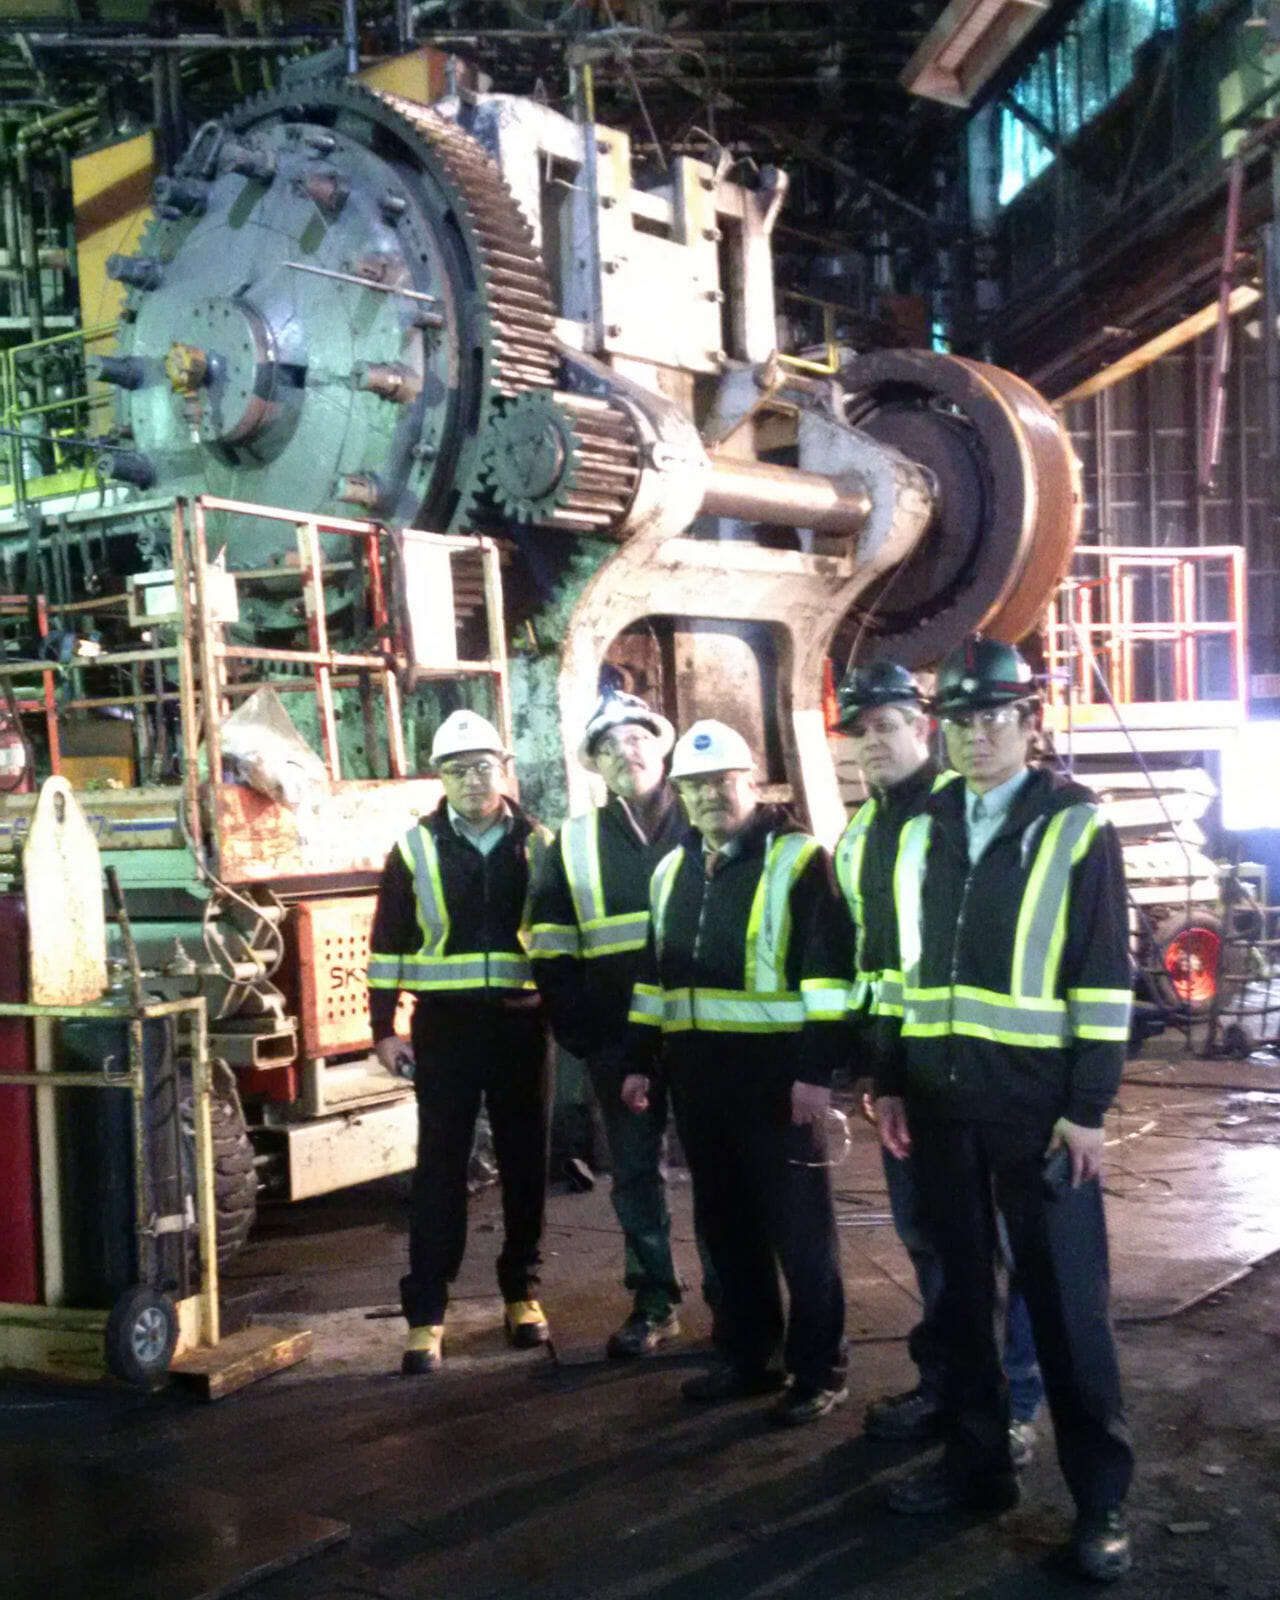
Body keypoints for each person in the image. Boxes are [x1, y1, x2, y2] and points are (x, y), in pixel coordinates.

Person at [872, 637, 1135, 1583]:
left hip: (1038, 1113)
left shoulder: (1075, 827)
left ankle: (1101, 1503)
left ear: (1028, 721)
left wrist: (1088, 1106)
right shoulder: (920, 827)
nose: (975, 735)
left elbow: (1103, 977)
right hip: (939, 1104)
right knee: (958, 1300)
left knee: (1067, 1311)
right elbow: (895, 967)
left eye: (993, 717)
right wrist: (889, 1077)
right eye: (960, 720)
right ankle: (977, 1466)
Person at [832, 660, 1044, 1467]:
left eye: (887, 725)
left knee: (1008, 1245)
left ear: (923, 727)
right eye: (859, 730)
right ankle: (950, 1383)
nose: (872, 742)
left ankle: (1013, 1399)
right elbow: (876, 964)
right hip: (910, 1072)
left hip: (991, 1074)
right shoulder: (863, 830)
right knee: (931, 1237)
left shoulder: (961, 813)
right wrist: (879, 1072)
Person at [622, 719, 850, 1426]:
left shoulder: (800, 860)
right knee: (726, 1231)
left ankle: (819, 1370)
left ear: (751, 782)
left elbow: (827, 977)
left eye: (721, 782)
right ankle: (750, 1358)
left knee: (801, 1236)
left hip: (777, 1085)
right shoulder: (671, 870)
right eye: (693, 787)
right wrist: (639, 1061)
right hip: (700, 1082)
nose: (707, 797)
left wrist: (816, 1072)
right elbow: (654, 976)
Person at [367, 708, 554, 1375]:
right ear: (440, 778)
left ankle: (521, 1293)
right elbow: (388, 943)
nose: (472, 779)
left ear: (504, 770)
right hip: (445, 1028)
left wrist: (559, 1004)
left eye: (482, 766)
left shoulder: (539, 843)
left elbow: (561, 934)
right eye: (456, 769)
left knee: (526, 1162)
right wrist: (383, 1029)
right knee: (440, 1169)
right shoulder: (414, 848)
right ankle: (427, 1313)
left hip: (521, 1025)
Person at [528, 689, 690, 1358]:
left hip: (707, 1034)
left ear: (661, 748)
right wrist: (585, 1035)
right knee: (634, 1174)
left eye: (637, 738)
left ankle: (740, 1305)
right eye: (610, 745)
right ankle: (654, 1301)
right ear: (594, 763)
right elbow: (550, 943)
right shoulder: (572, 841)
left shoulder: (705, 817)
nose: (626, 752)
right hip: (619, 1043)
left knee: (726, 1177)